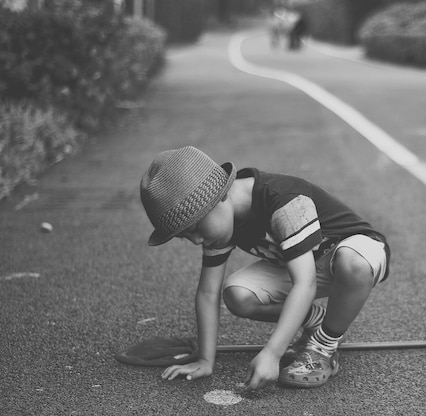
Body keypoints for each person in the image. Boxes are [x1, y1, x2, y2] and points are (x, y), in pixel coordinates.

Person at [140, 146, 390, 390]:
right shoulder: (220, 221)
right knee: (237, 295)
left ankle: (324, 346)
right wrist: (205, 360)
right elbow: (208, 292)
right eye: (185, 236)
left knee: (352, 263)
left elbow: (305, 283)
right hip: (304, 264)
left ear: (220, 197)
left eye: (195, 228)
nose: (196, 240)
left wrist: (272, 354)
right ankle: (316, 320)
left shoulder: (284, 202)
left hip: (354, 254)